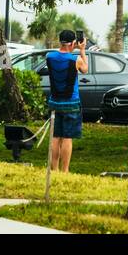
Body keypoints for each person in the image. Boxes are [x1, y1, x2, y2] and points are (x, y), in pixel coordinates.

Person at [46, 30, 88, 173]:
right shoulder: (75, 60)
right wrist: (81, 50)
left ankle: (55, 169)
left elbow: (61, 54)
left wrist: (72, 47)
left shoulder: (49, 57)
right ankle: (65, 171)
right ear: (73, 43)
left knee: (56, 136)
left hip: (55, 102)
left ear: (60, 41)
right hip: (71, 103)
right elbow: (85, 70)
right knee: (67, 137)